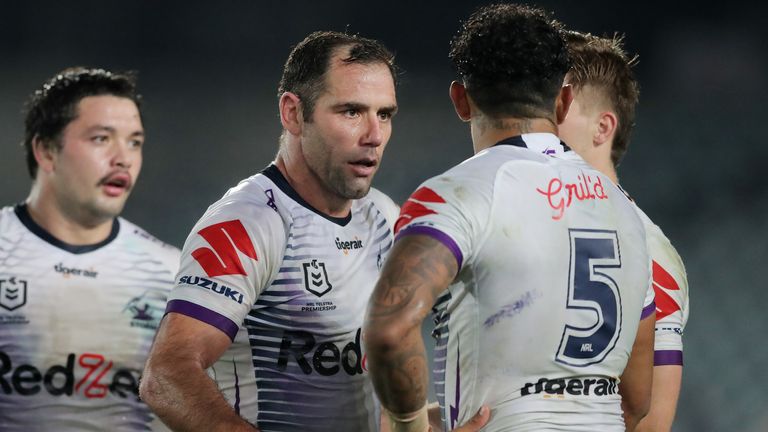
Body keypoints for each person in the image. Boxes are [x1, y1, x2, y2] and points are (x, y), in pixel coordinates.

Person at [139, 31, 488, 432]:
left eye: (385, 114)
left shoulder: (384, 215)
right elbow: (166, 376)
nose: (374, 135)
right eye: (351, 112)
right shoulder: (245, 224)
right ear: (292, 113)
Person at [364, 4, 656, 432]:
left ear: (461, 101)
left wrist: (409, 426)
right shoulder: (626, 211)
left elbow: (389, 330)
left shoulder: (456, 194)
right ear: (564, 100)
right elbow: (637, 399)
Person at [0, 67, 180, 431]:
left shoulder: (172, 273)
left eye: (135, 142)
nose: (123, 158)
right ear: (46, 151)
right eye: (101, 139)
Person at [558, 31, 690, 432]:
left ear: (602, 128)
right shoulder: (540, 223)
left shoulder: (649, 252)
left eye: (556, 111)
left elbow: (650, 421)